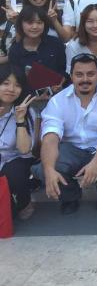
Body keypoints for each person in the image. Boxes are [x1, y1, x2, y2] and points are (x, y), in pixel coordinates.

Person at [33, 53, 97, 214]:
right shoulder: (57, 101)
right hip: (71, 149)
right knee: (45, 169)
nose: (85, 79)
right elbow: (50, 137)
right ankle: (70, 197)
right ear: (71, 76)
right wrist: (49, 169)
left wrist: (96, 163)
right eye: (79, 74)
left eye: (90, 74)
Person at [0, 65, 38, 219]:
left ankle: (24, 203)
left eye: (17, 85)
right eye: (5, 83)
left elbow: (24, 150)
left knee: (14, 173)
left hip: (16, 159)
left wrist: (20, 120)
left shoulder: (27, 111)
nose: (11, 89)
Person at [8, 5, 66, 87]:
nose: (35, 27)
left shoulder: (56, 43)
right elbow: (16, 81)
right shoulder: (15, 50)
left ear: (45, 24)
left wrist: (62, 80)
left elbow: (64, 69)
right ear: (21, 24)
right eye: (30, 22)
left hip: (57, 92)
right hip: (29, 94)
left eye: (39, 22)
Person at [3, 0, 73, 42]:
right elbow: (20, 43)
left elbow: (66, 39)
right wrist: (16, 22)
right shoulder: (22, 15)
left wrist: (54, 21)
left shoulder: (61, 13)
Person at [65, 4, 97, 85]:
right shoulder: (73, 46)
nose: (95, 25)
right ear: (83, 24)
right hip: (83, 85)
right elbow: (72, 75)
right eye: (90, 21)